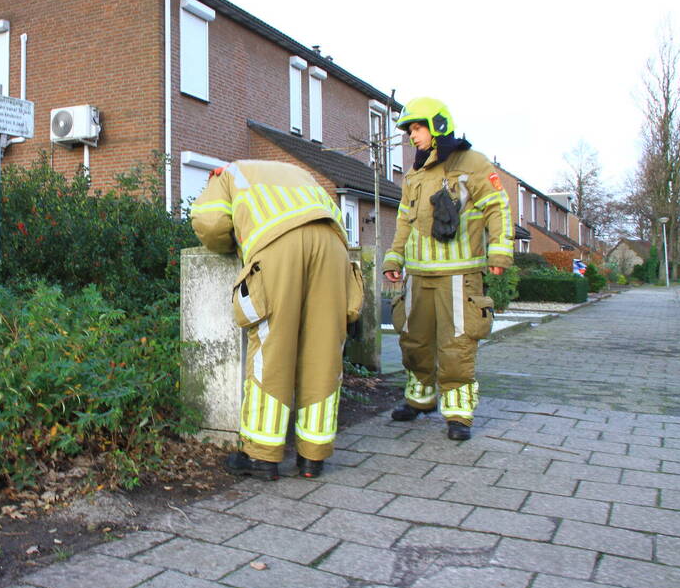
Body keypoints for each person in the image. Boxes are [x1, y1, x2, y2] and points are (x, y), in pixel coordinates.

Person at [191, 160, 363, 480]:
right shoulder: (301, 173)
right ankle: (313, 456)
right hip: (333, 247)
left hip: (278, 246)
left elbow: (210, 222)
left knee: (272, 349)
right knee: (323, 351)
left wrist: (236, 244)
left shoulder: (227, 174)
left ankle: (261, 455)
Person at [382, 97, 513, 440]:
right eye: (410, 130)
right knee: (414, 341)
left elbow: (498, 207)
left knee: (456, 346)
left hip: (460, 274)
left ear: (438, 125)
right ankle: (419, 399)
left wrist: (500, 253)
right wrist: (394, 258)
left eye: (418, 127)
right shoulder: (414, 174)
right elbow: (404, 220)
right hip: (418, 275)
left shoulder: (474, 163)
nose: (413, 136)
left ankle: (458, 415)